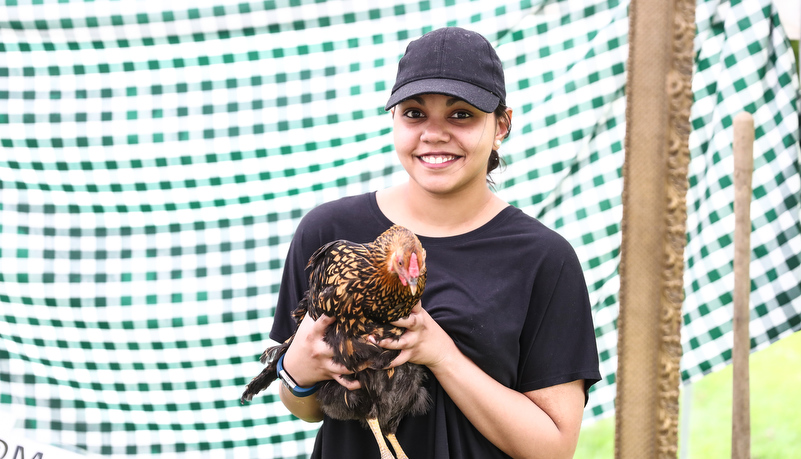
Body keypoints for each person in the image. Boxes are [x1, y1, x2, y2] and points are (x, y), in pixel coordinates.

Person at [269, 27, 601, 459]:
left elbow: (553, 449)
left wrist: (441, 354)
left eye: (461, 114)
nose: (434, 134)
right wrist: (296, 373)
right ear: (394, 119)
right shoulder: (331, 233)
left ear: (502, 124)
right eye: (414, 113)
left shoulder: (542, 258)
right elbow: (307, 407)